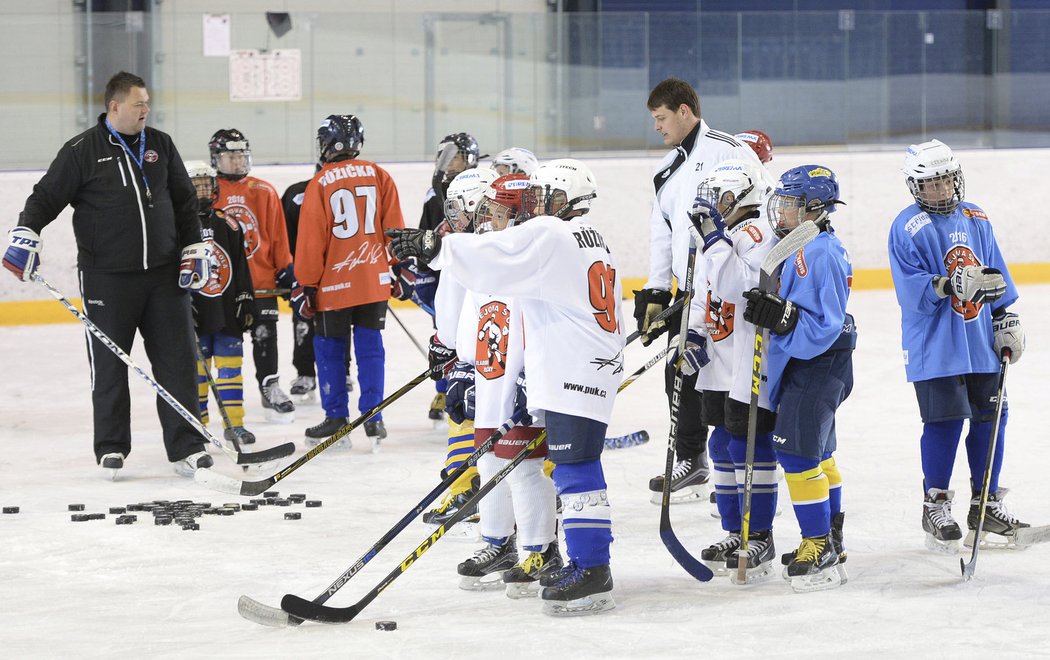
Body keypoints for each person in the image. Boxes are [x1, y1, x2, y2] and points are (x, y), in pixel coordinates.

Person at [388, 158, 624, 617]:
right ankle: (586, 563)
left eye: (546, 197)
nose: (537, 206)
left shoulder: (555, 234)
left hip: (572, 367)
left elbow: (495, 257)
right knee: (576, 469)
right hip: (583, 364)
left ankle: (592, 570)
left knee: (575, 471)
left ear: (566, 201)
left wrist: (436, 247)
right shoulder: (589, 237)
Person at [2, 71, 213, 478]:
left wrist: (194, 247)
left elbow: (185, 203)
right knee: (109, 364)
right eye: (139, 104)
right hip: (107, 278)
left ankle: (187, 445)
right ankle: (112, 447)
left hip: (165, 275)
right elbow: (45, 196)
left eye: (147, 103)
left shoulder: (161, 146)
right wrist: (26, 232)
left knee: (177, 361)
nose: (146, 111)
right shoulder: (81, 150)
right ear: (114, 106)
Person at [888, 139, 1028, 552]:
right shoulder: (906, 226)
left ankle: (984, 506)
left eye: (946, 179)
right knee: (946, 421)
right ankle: (935, 504)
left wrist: (1006, 317)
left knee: (992, 417)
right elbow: (909, 289)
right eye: (931, 184)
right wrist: (948, 284)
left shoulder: (977, 216)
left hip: (978, 340)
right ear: (915, 187)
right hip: (935, 346)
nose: (941, 189)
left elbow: (997, 272)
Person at [638, 77, 763, 504]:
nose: (657, 127)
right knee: (681, 371)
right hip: (689, 292)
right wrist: (656, 289)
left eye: (661, 118)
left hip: (731, 285)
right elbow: (661, 230)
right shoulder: (666, 169)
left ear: (684, 112)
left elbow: (761, 204)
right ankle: (693, 460)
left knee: (729, 377)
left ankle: (736, 467)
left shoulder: (729, 150)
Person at [443, 173, 561, 596]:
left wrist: (533, 378)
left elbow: (549, 324)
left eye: (495, 211)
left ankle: (539, 550)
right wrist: (463, 368)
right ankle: (498, 544)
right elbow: (474, 317)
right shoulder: (488, 251)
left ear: (516, 211)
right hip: (491, 379)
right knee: (490, 463)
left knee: (526, 469)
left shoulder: (536, 254)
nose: (487, 218)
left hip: (523, 385)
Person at [742, 165, 855, 592]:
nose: (782, 211)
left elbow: (823, 324)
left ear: (814, 208)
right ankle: (831, 535)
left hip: (818, 362)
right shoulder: (800, 245)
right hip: (818, 363)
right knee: (820, 453)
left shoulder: (818, 251)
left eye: (790, 204)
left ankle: (818, 543)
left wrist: (784, 318)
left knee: (797, 454)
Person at [683, 159, 779, 582]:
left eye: (719, 198)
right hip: (718, 361)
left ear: (740, 197)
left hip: (747, 359)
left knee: (747, 447)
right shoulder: (718, 237)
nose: (713, 206)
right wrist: (693, 333)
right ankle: (732, 530)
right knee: (721, 445)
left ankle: (759, 533)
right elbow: (705, 292)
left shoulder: (758, 234)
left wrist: (716, 242)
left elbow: (738, 287)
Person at [293, 114, 405, 450]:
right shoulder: (378, 174)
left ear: (327, 143)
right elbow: (395, 229)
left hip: (333, 285)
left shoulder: (321, 182)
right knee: (371, 348)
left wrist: (307, 283)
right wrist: (395, 268)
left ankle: (336, 417)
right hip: (373, 279)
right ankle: (374, 417)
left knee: (329, 350)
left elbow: (313, 239)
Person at [419, 167, 497, 531]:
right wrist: (443, 341)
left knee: (467, 414)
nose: (452, 216)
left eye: (458, 208)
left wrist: (448, 343)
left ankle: (467, 488)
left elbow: (465, 305)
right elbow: (454, 306)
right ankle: (465, 486)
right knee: (469, 414)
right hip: (474, 351)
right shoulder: (466, 242)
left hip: (484, 354)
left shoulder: (478, 247)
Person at [210, 128, 297, 423]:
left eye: (240, 156)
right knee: (226, 341)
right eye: (230, 156)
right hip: (224, 284)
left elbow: (277, 236)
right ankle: (224, 397)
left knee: (265, 335)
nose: (236, 162)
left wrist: (286, 269)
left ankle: (269, 384)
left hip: (261, 280)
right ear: (216, 159)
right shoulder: (207, 191)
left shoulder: (263, 190)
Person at [184, 161, 256, 449]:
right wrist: (180, 304)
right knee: (197, 372)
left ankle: (234, 423)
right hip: (196, 310)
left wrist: (246, 298)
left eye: (206, 183)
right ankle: (198, 425)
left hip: (226, 309)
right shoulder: (178, 225)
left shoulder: (227, 222)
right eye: (196, 184)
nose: (202, 189)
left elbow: (240, 264)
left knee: (230, 367)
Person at [420, 132, 483, 422]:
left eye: (456, 156)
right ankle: (445, 388)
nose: (451, 163)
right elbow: (426, 236)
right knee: (444, 332)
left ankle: (475, 385)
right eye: (447, 157)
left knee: (471, 331)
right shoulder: (435, 194)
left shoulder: (483, 188)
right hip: (445, 270)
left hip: (474, 273)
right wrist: (420, 273)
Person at [280, 169, 354, 404]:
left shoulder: (345, 195)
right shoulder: (296, 195)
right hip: (302, 272)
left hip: (337, 272)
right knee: (302, 320)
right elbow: (282, 236)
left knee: (339, 321)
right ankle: (305, 373)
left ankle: (343, 370)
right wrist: (289, 273)